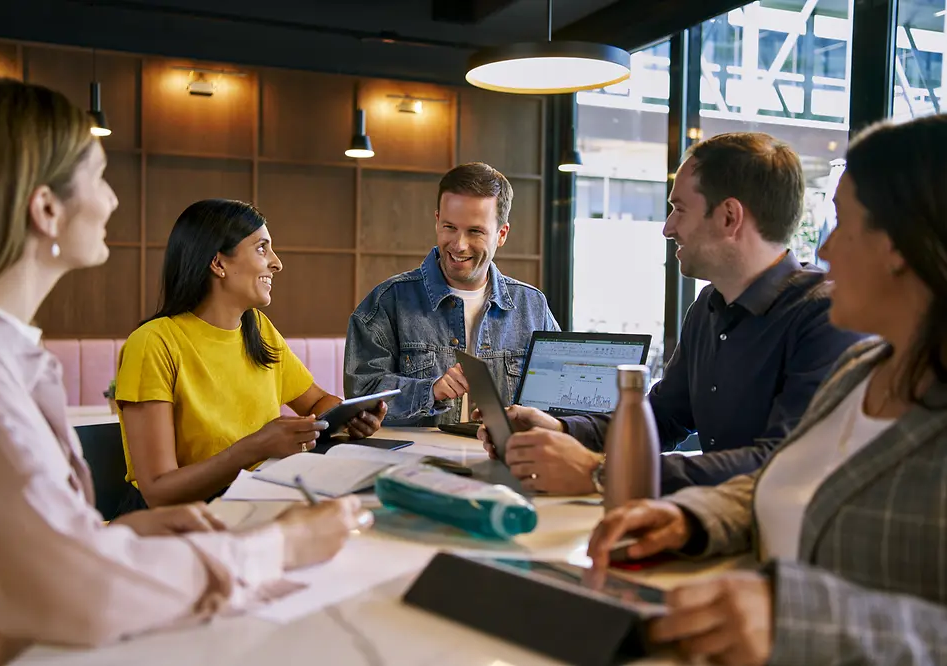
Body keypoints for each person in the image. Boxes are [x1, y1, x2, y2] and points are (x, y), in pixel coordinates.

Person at [0, 79, 369, 666]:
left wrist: (114, 541)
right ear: (45, 208)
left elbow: (31, 548)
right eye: (97, 177)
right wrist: (281, 546)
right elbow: (77, 589)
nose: (113, 201)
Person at [587, 114, 947, 666]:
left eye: (843, 224)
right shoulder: (860, 370)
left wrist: (796, 617)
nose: (823, 250)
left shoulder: (823, 329)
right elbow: (780, 476)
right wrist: (693, 517)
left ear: (898, 244)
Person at [479, 133, 863, 495]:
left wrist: (599, 471)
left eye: (679, 209)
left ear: (730, 217)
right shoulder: (708, 307)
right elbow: (663, 417)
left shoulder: (826, 317)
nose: (667, 228)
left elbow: (779, 463)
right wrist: (562, 428)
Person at [116, 199, 387, 509]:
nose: (276, 263)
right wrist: (256, 447)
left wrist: (349, 418)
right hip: (178, 525)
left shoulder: (256, 328)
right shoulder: (152, 343)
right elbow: (158, 491)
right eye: (262, 248)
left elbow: (316, 402)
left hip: (254, 501)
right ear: (218, 264)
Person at [344, 162, 559, 426]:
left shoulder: (533, 306)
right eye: (449, 227)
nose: (459, 245)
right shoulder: (387, 301)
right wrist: (429, 391)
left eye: (475, 231)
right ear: (437, 221)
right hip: (414, 463)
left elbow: (559, 397)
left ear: (501, 234)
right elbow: (360, 393)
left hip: (507, 461)